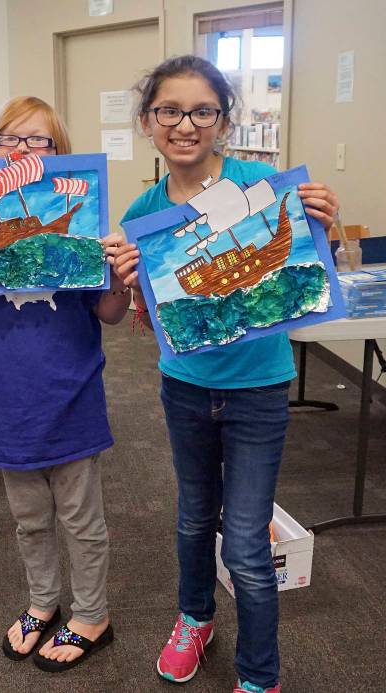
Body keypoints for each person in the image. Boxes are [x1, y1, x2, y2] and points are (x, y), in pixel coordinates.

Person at [112, 55, 340, 693]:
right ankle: (195, 618)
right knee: (192, 517)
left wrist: (326, 228)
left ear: (223, 121)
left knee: (244, 540)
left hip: (259, 390)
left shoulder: (263, 185)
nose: (185, 125)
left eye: (201, 111)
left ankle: (259, 676)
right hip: (185, 388)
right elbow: (152, 320)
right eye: (169, 111)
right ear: (148, 121)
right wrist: (133, 287)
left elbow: (311, 272)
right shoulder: (144, 213)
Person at [0, 96, 130, 672]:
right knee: (30, 520)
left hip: (73, 395)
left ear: (58, 152)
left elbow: (111, 313)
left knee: (82, 521)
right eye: (10, 140)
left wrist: (119, 273)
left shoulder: (85, 224)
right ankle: (43, 603)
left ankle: (92, 614)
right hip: (10, 405)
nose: (23, 150)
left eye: (38, 141)